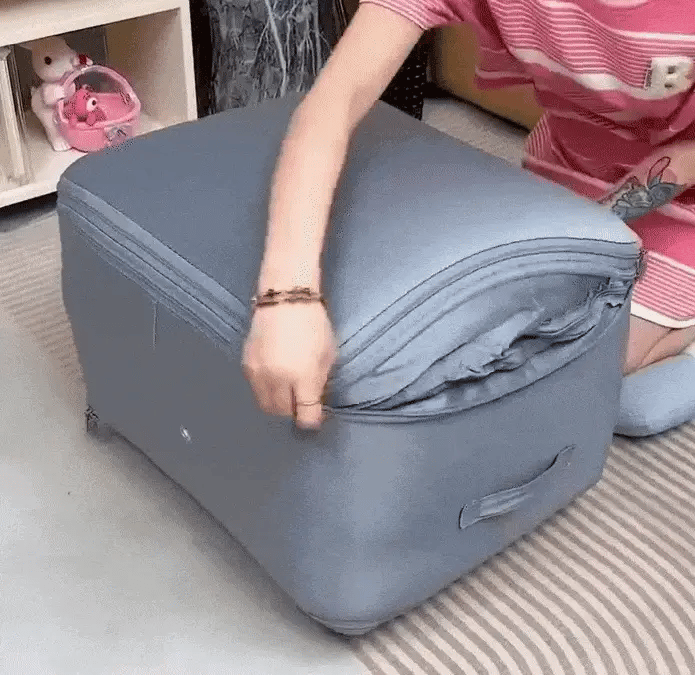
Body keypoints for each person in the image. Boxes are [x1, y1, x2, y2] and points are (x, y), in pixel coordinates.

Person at [242, 0, 695, 430]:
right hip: (569, 157)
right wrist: (286, 297)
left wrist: (578, 241)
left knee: (571, 362)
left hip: (683, 189)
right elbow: (331, 105)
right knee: (483, 339)